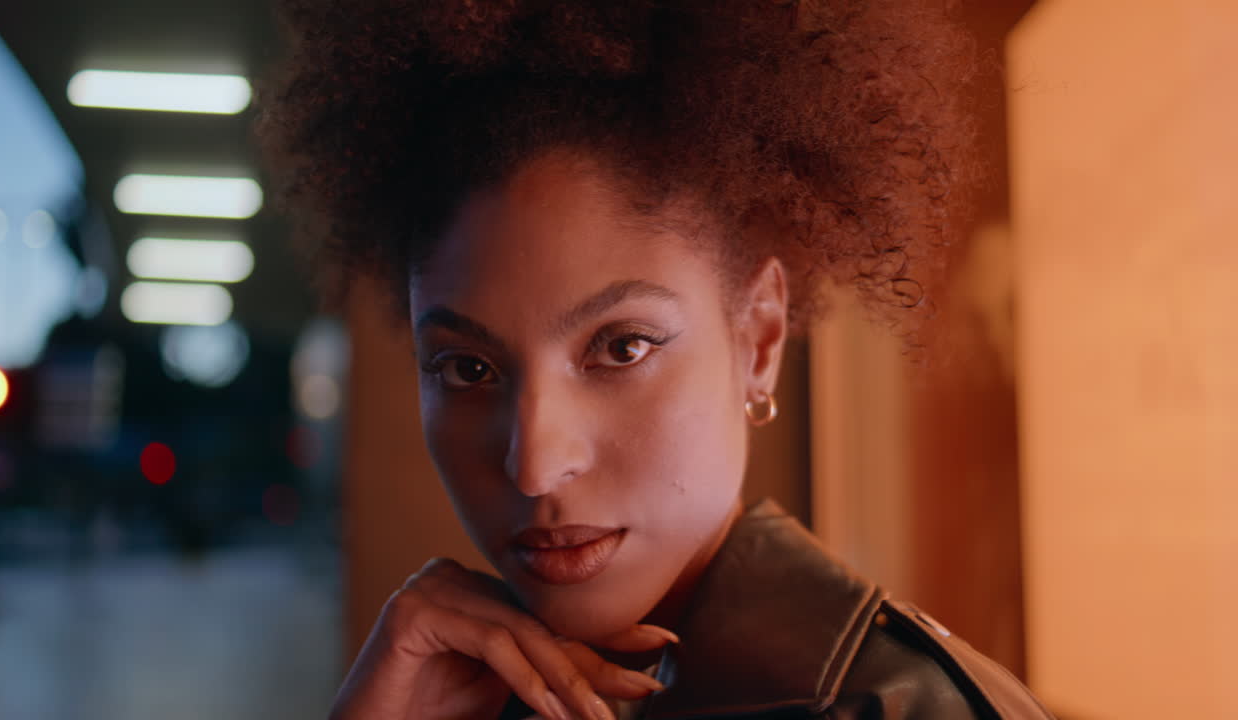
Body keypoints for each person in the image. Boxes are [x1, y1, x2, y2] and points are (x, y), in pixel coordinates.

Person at [257, 1, 1054, 718]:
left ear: (760, 338)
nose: (534, 465)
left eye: (621, 347)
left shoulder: (909, 709)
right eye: (467, 369)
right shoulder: (461, 698)